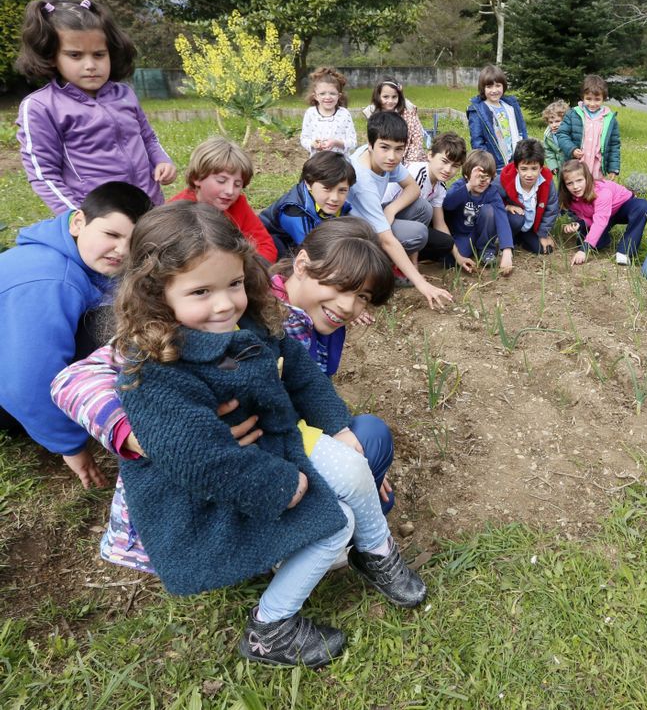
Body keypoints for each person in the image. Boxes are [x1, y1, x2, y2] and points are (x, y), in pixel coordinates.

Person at [111, 203, 426, 667]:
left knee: (354, 464)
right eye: (201, 291)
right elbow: (203, 463)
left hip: (273, 449)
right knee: (332, 524)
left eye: (234, 284)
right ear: (156, 293)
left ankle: (377, 551)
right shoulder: (154, 370)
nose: (224, 303)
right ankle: (270, 629)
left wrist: (336, 424)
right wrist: (279, 487)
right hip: (208, 502)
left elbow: (301, 374)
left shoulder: (250, 323)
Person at [53, 216, 399, 574]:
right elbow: (74, 379)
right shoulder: (192, 326)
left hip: (269, 453)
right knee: (367, 445)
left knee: (367, 443)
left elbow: (305, 388)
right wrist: (145, 436)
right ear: (302, 265)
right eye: (340, 286)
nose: (347, 306)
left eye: (363, 297)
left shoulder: (287, 318)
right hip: (225, 482)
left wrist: (353, 460)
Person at [0, 182, 153, 488]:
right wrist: (72, 447)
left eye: (133, 242)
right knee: (109, 328)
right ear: (78, 222)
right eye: (111, 235)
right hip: (10, 396)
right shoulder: (51, 281)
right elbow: (26, 382)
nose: (121, 250)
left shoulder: (67, 251)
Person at [15, 0, 176, 215]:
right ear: (52, 56)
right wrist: (76, 217)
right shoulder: (40, 107)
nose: (90, 65)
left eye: (99, 54)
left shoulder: (124, 94)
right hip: (100, 218)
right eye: (75, 55)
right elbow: (43, 174)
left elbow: (148, 137)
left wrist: (162, 160)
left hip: (150, 205)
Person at [347, 111, 452, 308]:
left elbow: (413, 188)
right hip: (358, 235)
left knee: (423, 208)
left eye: (399, 149)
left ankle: (406, 264)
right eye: (385, 148)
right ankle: (386, 269)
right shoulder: (363, 182)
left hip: (376, 216)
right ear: (370, 145)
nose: (392, 157)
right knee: (419, 233)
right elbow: (387, 240)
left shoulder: (381, 158)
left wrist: (392, 209)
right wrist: (424, 285)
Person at [170, 136, 278, 263]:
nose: (230, 191)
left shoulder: (238, 204)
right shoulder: (176, 212)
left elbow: (266, 246)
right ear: (197, 178)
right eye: (221, 181)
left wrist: (246, 270)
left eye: (237, 184)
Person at [382, 132, 468, 270]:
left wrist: (458, 256)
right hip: (383, 216)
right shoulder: (418, 174)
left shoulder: (440, 186)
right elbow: (416, 218)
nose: (448, 170)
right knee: (424, 210)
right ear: (430, 156)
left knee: (445, 242)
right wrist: (414, 266)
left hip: (400, 219)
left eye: (455, 166)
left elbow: (440, 223)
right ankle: (397, 262)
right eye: (444, 161)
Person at [260, 150, 355, 258]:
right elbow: (311, 250)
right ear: (308, 183)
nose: (335, 198)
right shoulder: (293, 210)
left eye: (342, 190)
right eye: (327, 189)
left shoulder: (336, 206)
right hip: (272, 248)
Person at [559, 159, 647, 266]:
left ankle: (625, 251)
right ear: (564, 185)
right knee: (584, 242)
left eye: (579, 180)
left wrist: (584, 250)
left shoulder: (602, 192)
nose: (575, 186)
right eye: (570, 183)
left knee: (642, 206)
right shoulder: (572, 198)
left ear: (587, 179)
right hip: (603, 215)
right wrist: (580, 224)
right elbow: (589, 217)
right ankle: (605, 237)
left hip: (623, 208)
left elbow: (600, 221)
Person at [442, 150, 513, 274]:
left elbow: (502, 218)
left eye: (487, 177)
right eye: (478, 176)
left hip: (481, 232)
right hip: (462, 234)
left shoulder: (491, 192)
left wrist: (507, 251)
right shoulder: (460, 186)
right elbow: (447, 204)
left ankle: (486, 250)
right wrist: (469, 186)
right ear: (466, 175)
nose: (482, 181)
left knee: (489, 211)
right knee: (449, 261)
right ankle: (473, 247)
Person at [494, 138, 560, 255]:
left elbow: (551, 209)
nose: (529, 174)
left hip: (530, 227)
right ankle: (506, 240)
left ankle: (521, 239)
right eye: (524, 169)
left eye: (534, 169)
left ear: (541, 168)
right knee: (517, 219)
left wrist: (543, 234)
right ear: (516, 168)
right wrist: (507, 207)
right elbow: (492, 197)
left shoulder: (547, 182)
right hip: (513, 222)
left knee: (543, 249)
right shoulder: (505, 179)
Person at [555, 74, 621, 181]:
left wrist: (613, 169)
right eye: (588, 99)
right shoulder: (573, 114)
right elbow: (562, 134)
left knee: (595, 193)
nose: (592, 103)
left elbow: (614, 145)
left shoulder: (609, 119)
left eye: (597, 99)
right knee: (576, 191)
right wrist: (572, 149)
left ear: (604, 98)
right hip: (576, 165)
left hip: (597, 168)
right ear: (583, 97)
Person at [466, 64, 528, 173]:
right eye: (489, 87)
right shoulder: (477, 111)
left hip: (516, 160)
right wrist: (487, 163)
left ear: (503, 86)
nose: (494, 90)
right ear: (483, 88)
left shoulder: (511, 106)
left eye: (498, 85)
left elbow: (522, 129)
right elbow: (477, 142)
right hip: (496, 166)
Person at [362, 78, 427, 163]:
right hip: (384, 161)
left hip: (410, 160)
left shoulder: (408, 113)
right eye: (385, 97)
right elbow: (372, 142)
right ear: (378, 96)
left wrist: (409, 163)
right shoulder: (374, 115)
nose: (390, 101)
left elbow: (416, 139)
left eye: (394, 97)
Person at [299, 67, 357, 158]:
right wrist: (313, 144)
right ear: (315, 96)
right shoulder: (310, 113)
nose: (328, 97)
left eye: (332, 93)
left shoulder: (344, 114)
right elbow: (304, 138)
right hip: (318, 162)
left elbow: (353, 142)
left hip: (340, 163)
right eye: (322, 94)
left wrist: (336, 143)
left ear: (339, 96)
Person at [542, 100, 569, 178]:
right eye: (551, 122)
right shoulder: (548, 135)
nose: (554, 125)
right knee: (562, 186)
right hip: (560, 167)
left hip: (572, 165)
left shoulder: (570, 132)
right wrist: (553, 166)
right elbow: (548, 151)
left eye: (557, 121)